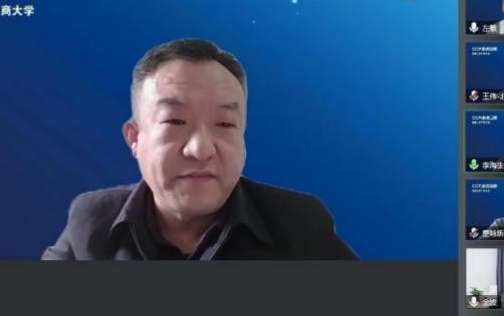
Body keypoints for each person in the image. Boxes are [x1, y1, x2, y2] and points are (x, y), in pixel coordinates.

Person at [42, 39, 357, 260]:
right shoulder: (92, 222)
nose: (201, 149)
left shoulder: (300, 225)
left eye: (225, 124)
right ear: (135, 138)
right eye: (176, 121)